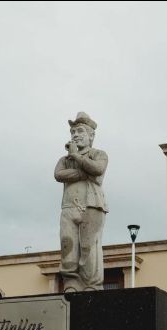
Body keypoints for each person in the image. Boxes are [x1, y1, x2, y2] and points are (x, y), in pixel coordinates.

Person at [54, 112, 108, 291]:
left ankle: (92, 285)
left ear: (91, 136)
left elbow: (97, 169)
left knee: (89, 247)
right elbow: (58, 175)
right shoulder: (64, 160)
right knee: (67, 244)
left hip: (91, 205)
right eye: (73, 132)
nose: (75, 135)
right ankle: (71, 283)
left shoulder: (99, 154)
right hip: (68, 207)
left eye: (80, 131)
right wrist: (83, 174)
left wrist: (77, 157)